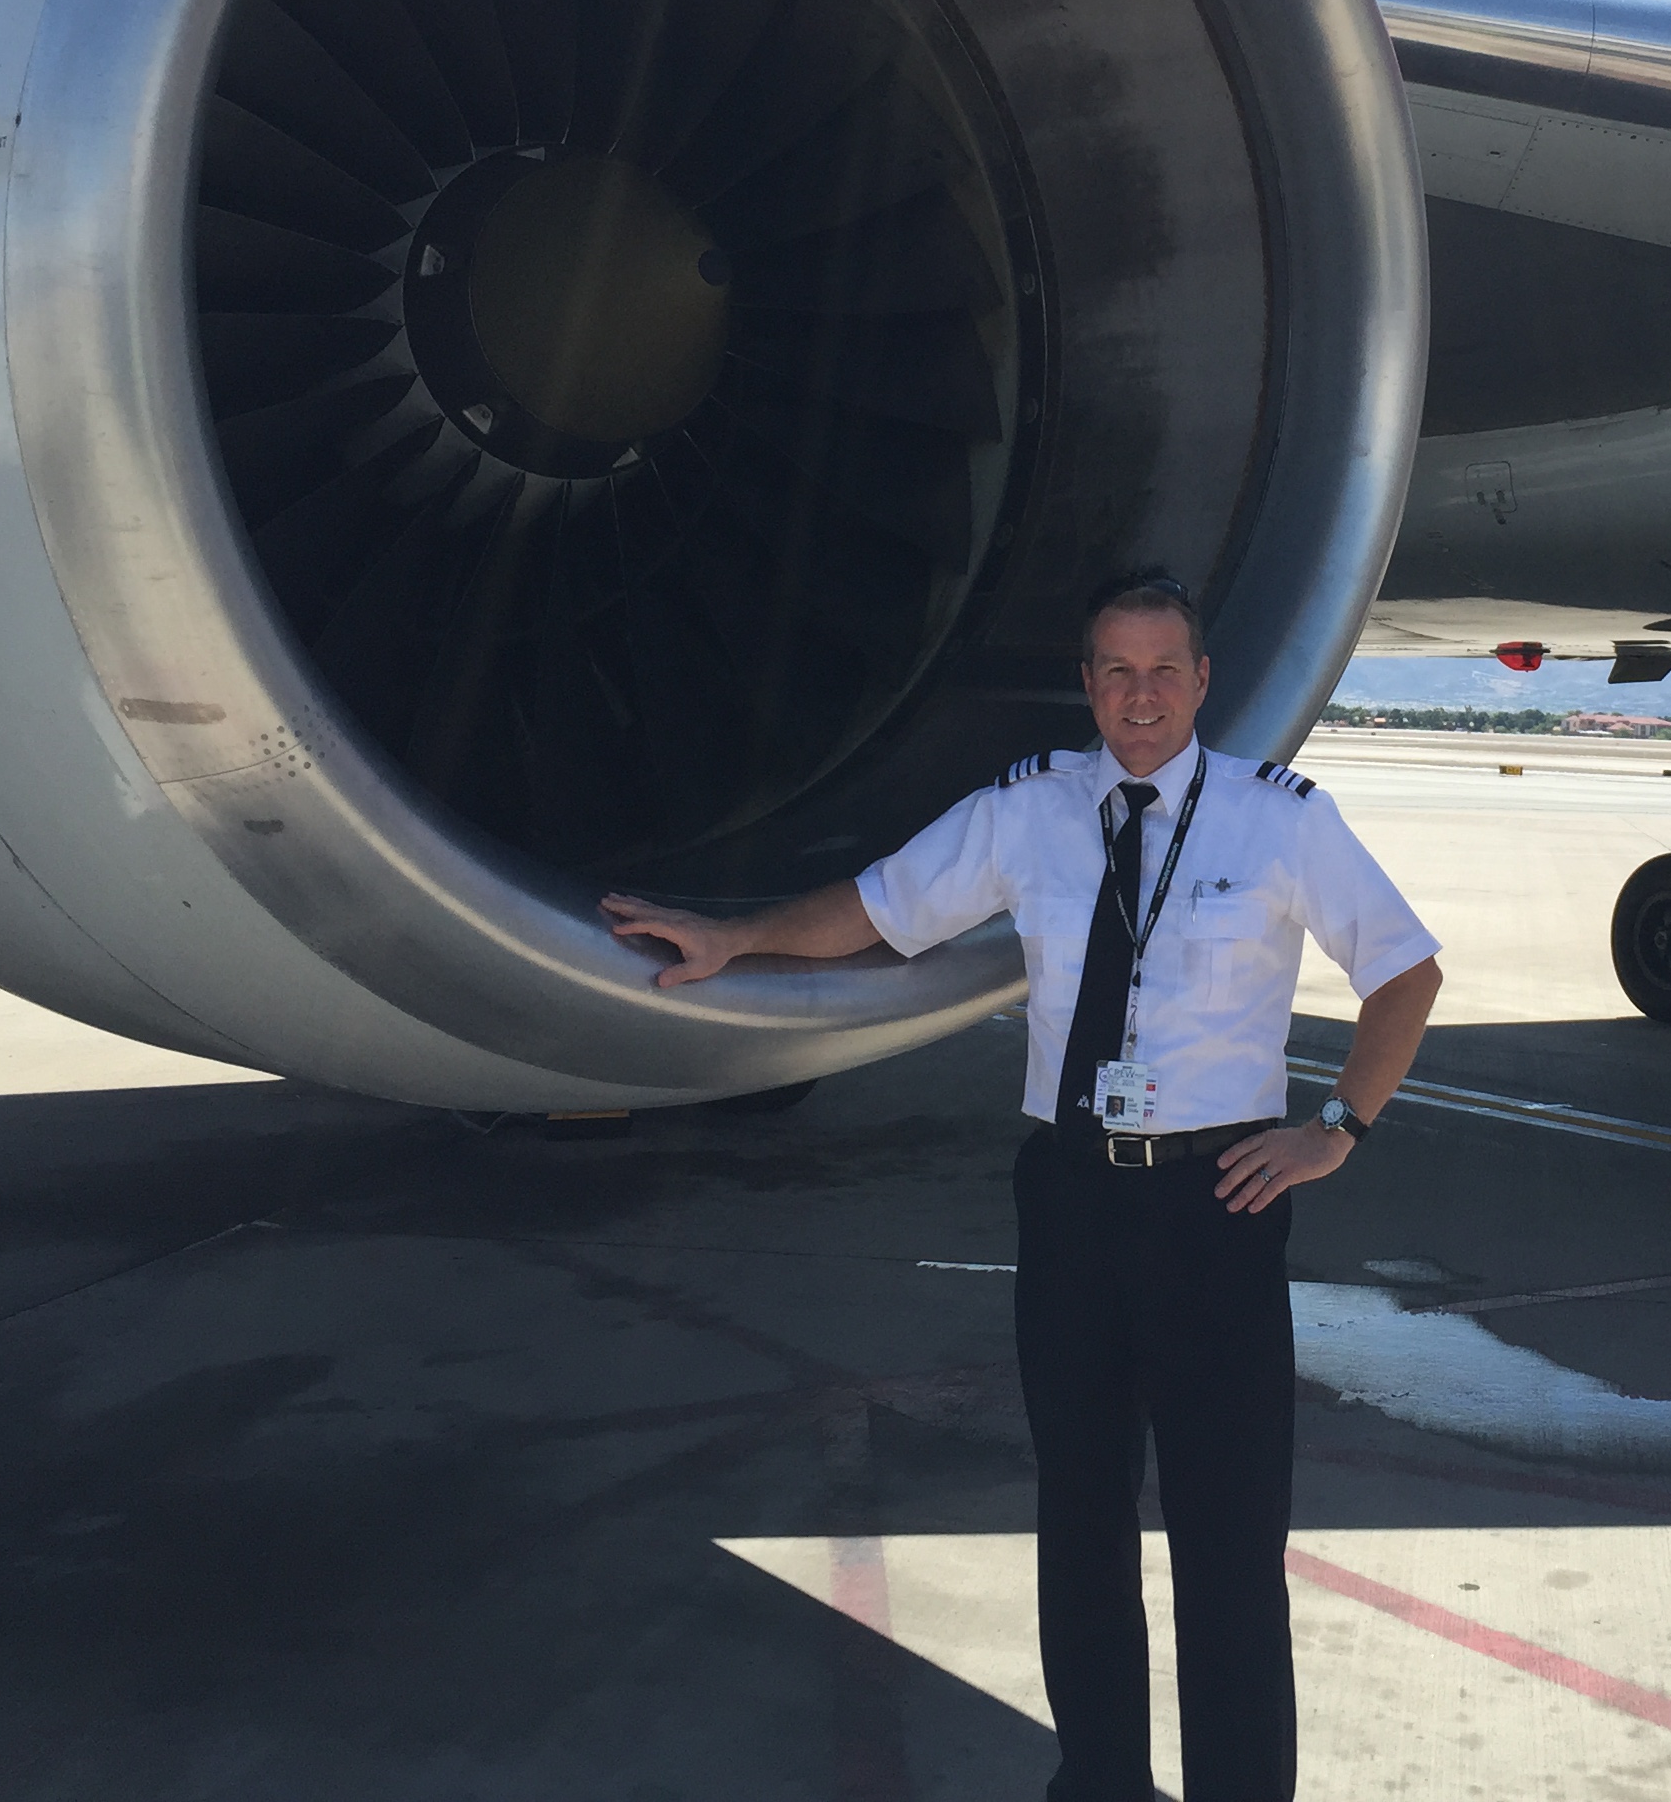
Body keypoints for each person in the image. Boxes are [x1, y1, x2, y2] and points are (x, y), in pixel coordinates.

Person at [601, 569, 1444, 1802]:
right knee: (1081, 1523)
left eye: (1165, 670)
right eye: (1117, 671)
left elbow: (1405, 973)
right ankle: (1096, 1781)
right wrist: (740, 938)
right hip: (1071, 1206)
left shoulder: (1280, 820)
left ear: (1203, 682)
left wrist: (1338, 1126)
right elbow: (885, 907)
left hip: (1218, 1207)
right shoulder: (1033, 811)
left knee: (1228, 1545)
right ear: (1089, 684)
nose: (1141, 695)